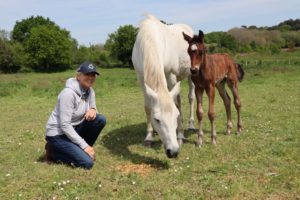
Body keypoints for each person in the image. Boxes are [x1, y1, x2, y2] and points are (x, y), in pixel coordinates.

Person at [45, 61, 106, 169]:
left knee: (100, 119)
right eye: (87, 74)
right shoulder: (68, 94)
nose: (91, 78)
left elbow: (93, 109)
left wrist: (93, 109)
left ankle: (77, 151)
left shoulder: (90, 91)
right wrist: (85, 146)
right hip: (58, 134)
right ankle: (53, 152)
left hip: (74, 128)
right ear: (78, 76)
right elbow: (65, 125)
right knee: (87, 163)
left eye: (93, 75)